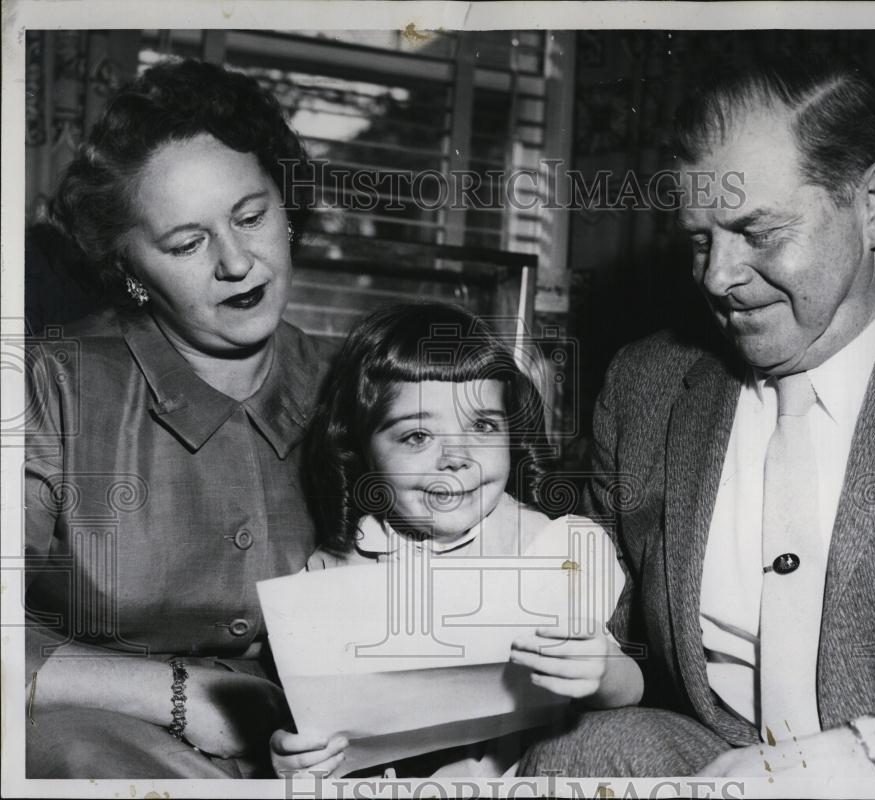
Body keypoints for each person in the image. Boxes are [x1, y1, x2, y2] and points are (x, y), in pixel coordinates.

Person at [519, 55, 875, 778]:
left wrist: (867, 759)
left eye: (758, 233)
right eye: (700, 239)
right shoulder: (646, 385)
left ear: (873, 205)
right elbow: (610, 634)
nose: (716, 277)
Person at [23, 59, 336, 778]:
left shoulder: (366, 384)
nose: (236, 262)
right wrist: (176, 695)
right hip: (105, 747)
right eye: (187, 243)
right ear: (131, 270)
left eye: (252, 216)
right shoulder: (50, 387)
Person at [268, 303, 642, 778]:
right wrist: (295, 757)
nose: (457, 457)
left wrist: (603, 669)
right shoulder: (337, 571)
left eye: (482, 425)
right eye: (418, 436)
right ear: (360, 450)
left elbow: (632, 688)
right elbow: (308, 722)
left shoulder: (552, 550)